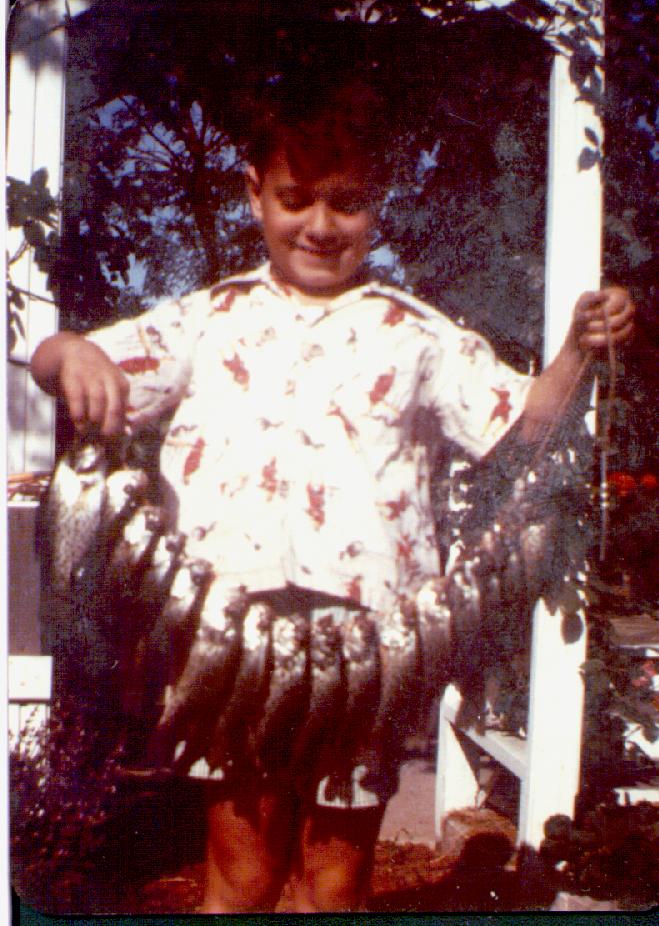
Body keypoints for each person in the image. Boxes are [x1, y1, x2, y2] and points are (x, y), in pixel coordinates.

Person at [31, 69, 634, 913]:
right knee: (238, 875)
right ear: (254, 194)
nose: (319, 224)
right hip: (226, 643)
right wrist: (74, 352)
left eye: (345, 203)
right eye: (295, 198)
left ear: (377, 201)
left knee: (334, 880)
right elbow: (52, 360)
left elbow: (527, 421)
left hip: (368, 647)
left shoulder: (417, 333)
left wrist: (578, 342)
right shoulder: (206, 320)